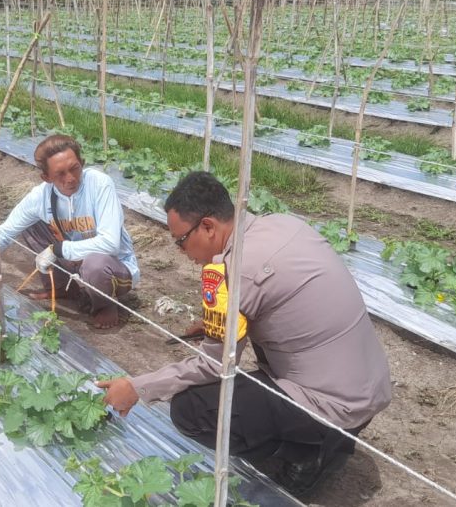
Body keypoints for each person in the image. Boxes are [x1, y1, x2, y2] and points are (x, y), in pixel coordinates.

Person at [97, 172, 392, 493]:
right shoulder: (282, 224)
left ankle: (307, 454)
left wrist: (137, 387)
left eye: (181, 241)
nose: (183, 252)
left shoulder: (233, 272)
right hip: (371, 388)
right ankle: (323, 439)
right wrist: (216, 323)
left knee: (191, 408)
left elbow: (215, 365)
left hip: (334, 406)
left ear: (208, 226)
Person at [0, 134, 139, 329]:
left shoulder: (99, 184)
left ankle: (105, 304)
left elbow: (110, 244)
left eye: (75, 169)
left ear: (82, 163)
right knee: (31, 224)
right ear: (46, 177)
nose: (70, 179)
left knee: (94, 263)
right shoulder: (41, 196)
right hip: (75, 260)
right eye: (60, 174)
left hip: (114, 268)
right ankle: (64, 288)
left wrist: (57, 250)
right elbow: (5, 232)